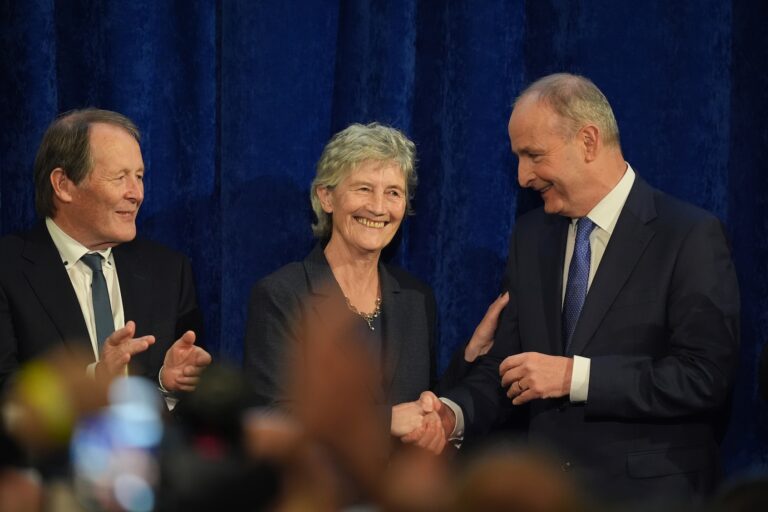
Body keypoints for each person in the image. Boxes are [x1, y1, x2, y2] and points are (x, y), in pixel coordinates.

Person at [397, 73, 740, 503]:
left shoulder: (688, 235)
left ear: (589, 141)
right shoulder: (531, 236)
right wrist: (453, 415)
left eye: (533, 155)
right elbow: (509, 365)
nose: (522, 177)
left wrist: (576, 376)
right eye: (518, 158)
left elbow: (704, 377)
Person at [243, 122, 506, 448]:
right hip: (321, 493)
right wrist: (384, 421)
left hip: (398, 494)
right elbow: (272, 418)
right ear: (326, 197)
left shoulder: (416, 296)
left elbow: (419, 402)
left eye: (393, 192)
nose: (379, 207)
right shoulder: (283, 294)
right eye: (363, 189)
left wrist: (470, 357)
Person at [0, 108, 211, 399]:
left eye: (139, 176)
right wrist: (94, 379)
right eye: (120, 177)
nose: (137, 194)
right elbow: (7, 392)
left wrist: (166, 381)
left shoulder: (169, 271)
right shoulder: (8, 269)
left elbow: (196, 411)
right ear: (63, 185)